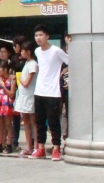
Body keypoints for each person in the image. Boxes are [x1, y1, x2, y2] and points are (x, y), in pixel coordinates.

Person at [31, 24, 67, 160]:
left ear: (47, 36)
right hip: (39, 90)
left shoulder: (56, 51)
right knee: (39, 121)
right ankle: (40, 148)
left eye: (41, 35)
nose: (38, 38)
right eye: (36, 35)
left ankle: (56, 149)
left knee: (53, 122)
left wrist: (64, 72)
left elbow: (71, 61)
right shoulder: (37, 51)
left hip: (53, 92)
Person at [14, 44, 37, 157]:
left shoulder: (33, 64)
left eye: (23, 51)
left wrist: (19, 79)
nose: (21, 53)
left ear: (28, 51)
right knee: (26, 122)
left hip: (30, 95)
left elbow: (27, 82)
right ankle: (29, 146)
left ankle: (36, 146)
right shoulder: (26, 63)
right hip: (23, 96)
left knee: (34, 122)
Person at [0, 60, 15, 154]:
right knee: (0, 124)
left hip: (7, 102)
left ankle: (9, 144)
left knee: (8, 124)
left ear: (5, 69)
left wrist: (3, 86)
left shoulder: (12, 79)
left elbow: (11, 94)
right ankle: (0, 144)